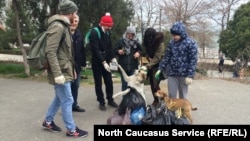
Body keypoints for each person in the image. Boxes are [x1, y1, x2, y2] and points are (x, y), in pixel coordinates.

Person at [42, 0, 88, 137]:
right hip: (60, 71)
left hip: (65, 69)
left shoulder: (64, 26)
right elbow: (50, 51)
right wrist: (57, 74)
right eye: (75, 12)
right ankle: (71, 129)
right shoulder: (58, 26)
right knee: (68, 99)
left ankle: (48, 121)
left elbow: (67, 52)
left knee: (59, 98)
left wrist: (72, 69)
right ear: (70, 13)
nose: (76, 15)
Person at [155, 21, 198, 99]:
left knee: (183, 97)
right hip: (172, 73)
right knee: (171, 96)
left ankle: (181, 110)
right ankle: (172, 111)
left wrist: (190, 75)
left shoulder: (191, 43)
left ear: (181, 33)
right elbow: (167, 57)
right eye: (173, 35)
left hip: (184, 75)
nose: (174, 37)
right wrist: (160, 68)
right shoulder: (172, 43)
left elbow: (193, 60)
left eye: (176, 35)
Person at [89, 12, 118, 111]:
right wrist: (103, 62)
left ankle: (110, 99)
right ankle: (101, 102)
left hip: (107, 60)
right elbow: (95, 49)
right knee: (98, 83)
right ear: (103, 24)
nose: (109, 28)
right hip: (97, 62)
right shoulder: (94, 32)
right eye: (108, 26)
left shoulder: (108, 32)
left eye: (110, 26)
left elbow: (109, 46)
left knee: (109, 81)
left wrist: (113, 57)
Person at [114, 26, 142, 91]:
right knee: (124, 84)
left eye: (132, 34)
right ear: (126, 33)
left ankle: (132, 99)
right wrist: (119, 51)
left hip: (133, 67)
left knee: (132, 84)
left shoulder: (136, 42)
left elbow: (140, 50)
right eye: (129, 34)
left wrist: (138, 53)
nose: (131, 35)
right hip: (123, 67)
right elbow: (114, 50)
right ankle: (125, 99)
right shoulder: (121, 41)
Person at [143, 27, 165, 105]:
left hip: (159, 66)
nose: (148, 38)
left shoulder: (160, 44)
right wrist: (147, 57)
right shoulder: (147, 42)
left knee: (156, 84)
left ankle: (163, 99)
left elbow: (157, 58)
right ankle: (156, 100)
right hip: (152, 65)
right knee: (152, 83)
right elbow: (146, 52)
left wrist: (147, 66)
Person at [70, 14, 86, 112]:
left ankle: (74, 105)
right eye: (72, 21)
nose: (74, 23)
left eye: (76, 21)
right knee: (67, 88)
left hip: (78, 65)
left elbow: (81, 49)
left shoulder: (79, 33)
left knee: (76, 85)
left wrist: (83, 63)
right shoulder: (65, 33)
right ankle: (66, 107)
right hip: (68, 65)